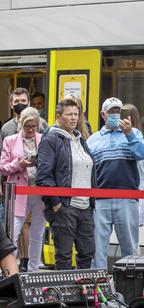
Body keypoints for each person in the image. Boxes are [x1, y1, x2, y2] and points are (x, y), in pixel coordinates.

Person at [87, 97, 144, 269]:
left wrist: (129, 134)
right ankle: (98, 288)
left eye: (118, 111)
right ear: (103, 114)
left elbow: (143, 154)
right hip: (100, 200)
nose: (115, 115)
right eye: (111, 111)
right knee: (97, 249)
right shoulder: (92, 140)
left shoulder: (134, 134)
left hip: (127, 198)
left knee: (129, 248)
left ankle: (130, 286)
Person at [36, 99, 96, 270]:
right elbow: (43, 176)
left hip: (85, 207)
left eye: (76, 114)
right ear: (58, 117)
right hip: (65, 206)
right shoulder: (51, 140)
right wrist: (56, 204)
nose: (73, 118)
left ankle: (84, 292)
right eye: (69, 114)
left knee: (87, 252)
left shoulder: (81, 140)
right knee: (63, 254)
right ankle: (65, 295)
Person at [0, 107, 45, 272]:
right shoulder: (10, 140)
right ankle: (11, 272)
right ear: (21, 124)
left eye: (34, 126)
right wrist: (19, 164)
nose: (31, 130)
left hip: (39, 192)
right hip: (18, 192)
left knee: (38, 233)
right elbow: (3, 167)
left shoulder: (43, 138)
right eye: (28, 126)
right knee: (13, 232)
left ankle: (34, 270)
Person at [122, 104, 144, 231]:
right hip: (138, 195)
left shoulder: (120, 141)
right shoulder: (143, 143)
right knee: (133, 238)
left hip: (121, 197)